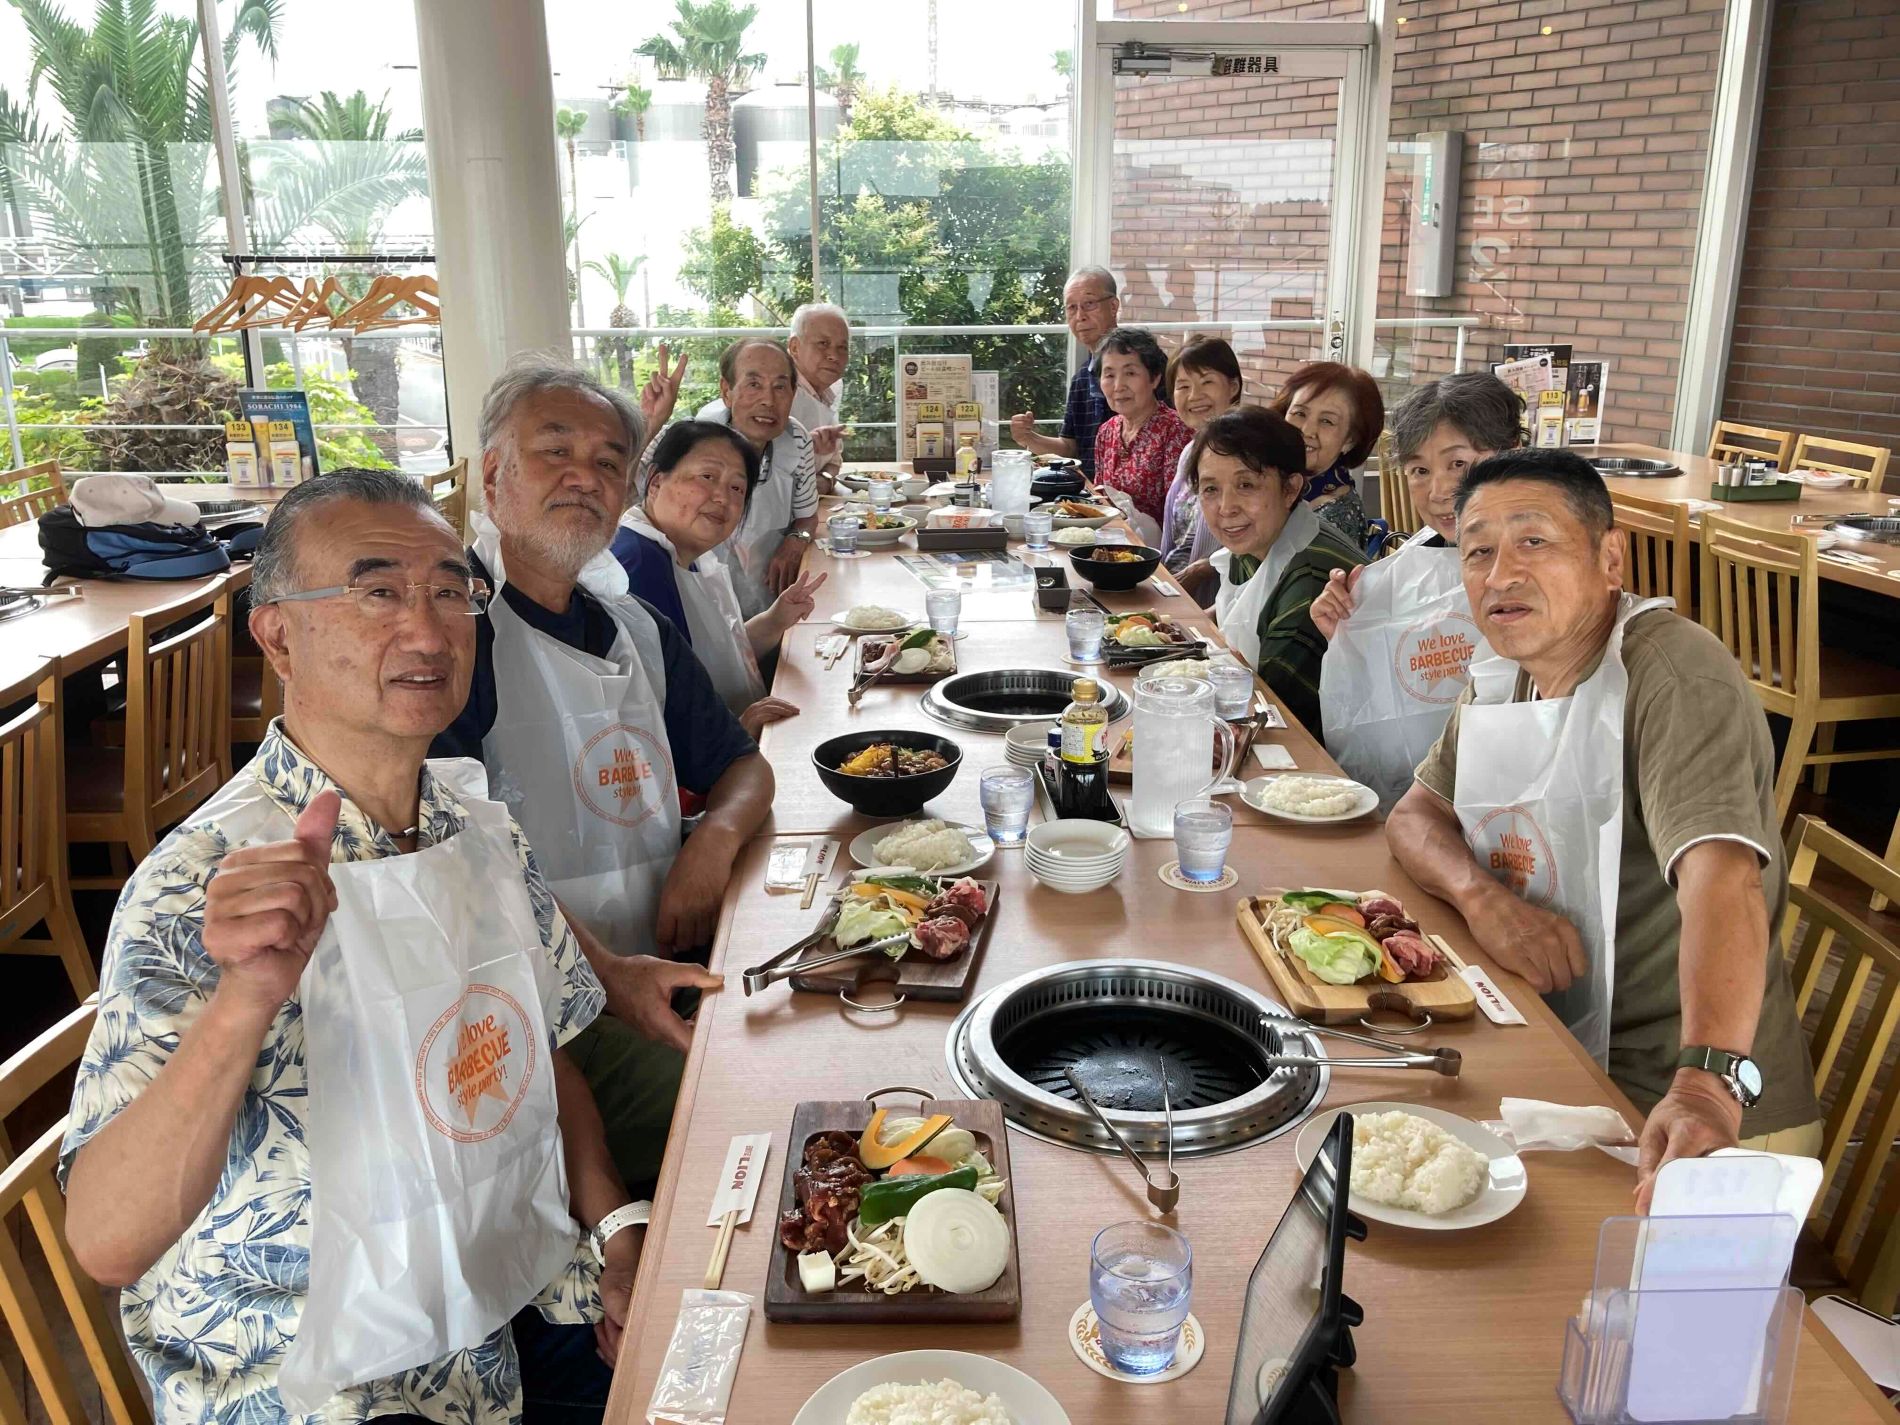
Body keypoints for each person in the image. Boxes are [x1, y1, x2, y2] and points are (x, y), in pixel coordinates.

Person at [61, 469, 641, 1424]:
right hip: (319, 1389)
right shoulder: (203, 881)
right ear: (277, 635)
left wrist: (620, 1229)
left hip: (502, 1316)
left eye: (450, 590)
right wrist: (246, 997)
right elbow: (106, 1243)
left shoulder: (476, 829)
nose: (427, 630)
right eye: (377, 592)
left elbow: (539, 1056)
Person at [1388, 449, 1822, 1209]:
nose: (1500, 574)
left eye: (1534, 541)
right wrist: (1485, 900)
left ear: (1610, 557)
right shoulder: (1506, 672)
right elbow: (1414, 816)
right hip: (1553, 1036)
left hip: (1682, 1107)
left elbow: (1724, 879)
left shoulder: (1673, 677)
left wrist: (1707, 1084)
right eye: (1478, 551)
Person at [435, 354, 773, 1192]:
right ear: (493, 477)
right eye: (556, 451)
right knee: (743, 1109)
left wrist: (712, 843)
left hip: (665, 957)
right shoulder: (452, 641)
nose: (584, 477)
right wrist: (606, 975)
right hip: (536, 1004)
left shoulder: (636, 625)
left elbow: (742, 767)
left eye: (607, 461)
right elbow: (453, 854)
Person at [1313, 372, 1523, 807]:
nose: (1439, 491)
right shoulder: (1421, 555)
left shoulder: (1542, 570)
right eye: (1419, 471)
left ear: (1513, 456)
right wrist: (1354, 635)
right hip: (1414, 807)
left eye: (1459, 464)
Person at [613, 419, 826, 739]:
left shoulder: (685, 555)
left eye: (737, 488)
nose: (722, 498)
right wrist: (736, 730)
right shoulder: (639, 566)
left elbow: (721, 656)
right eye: (707, 477)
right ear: (655, 481)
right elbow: (645, 714)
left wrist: (775, 619)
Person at [1192, 406, 1364, 735]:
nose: (1226, 508)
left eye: (1246, 485)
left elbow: (1274, 716)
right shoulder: (1256, 541)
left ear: (1290, 489)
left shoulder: (1310, 577)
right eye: (1210, 489)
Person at [691, 338, 841, 617]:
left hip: (770, 599)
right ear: (726, 391)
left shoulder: (796, 438)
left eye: (780, 387)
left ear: (793, 394)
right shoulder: (692, 443)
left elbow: (807, 517)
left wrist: (796, 540)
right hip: (700, 604)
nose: (768, 401)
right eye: (754, 384)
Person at [1008, 265, 1120, 478]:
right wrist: (1028, 438)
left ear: (1113, 306)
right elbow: (1070, 448)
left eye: (1089, 304)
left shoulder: (1142, 366)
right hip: (1089, 490)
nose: (1080, 316)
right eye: (1071, 308)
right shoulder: (1082, 378)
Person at [1268, 360, 1385, 550]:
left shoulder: (1335, 516)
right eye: (1300, 413)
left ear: (1350, 440)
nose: (1307, 431)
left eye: (1326, 421)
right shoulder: (1271, 477)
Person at [1091, 326, 1194, 534]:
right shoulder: (1106, 431)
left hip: (1156, 549)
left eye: (1130, 373)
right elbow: (1100, 502)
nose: (1118, 386)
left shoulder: (1176, 431)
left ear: (1154, 378)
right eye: (1109, 375)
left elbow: (1179, 518)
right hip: (1110, 542)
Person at [1158, 335, 1244, 575]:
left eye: (1207, 382)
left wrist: (1203, 570)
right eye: (1183, 386)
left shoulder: (1247, 453)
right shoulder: (1190, 451)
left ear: (1233, 387)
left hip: (1215, 593)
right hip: (1172, 583)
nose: (1194, 395)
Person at [787, 301, 851, 490]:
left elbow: (835, 459)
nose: (834, 356)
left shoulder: (831, 388)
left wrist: (825, 480)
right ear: (794, 347)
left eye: (842, 347)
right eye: (823, 344)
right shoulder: (779, 393)